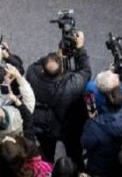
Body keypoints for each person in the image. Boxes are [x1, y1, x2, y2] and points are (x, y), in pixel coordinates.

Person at [26, 31, 90, 163]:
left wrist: (56, 55)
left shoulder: (32, 73)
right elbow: (85, 71)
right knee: (73, 150)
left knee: (46, 151)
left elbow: (37, 64)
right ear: (62, 70)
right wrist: (80, 49)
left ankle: (47, 168)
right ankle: (75, 167)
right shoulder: (69, 86)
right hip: (63, 126)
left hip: (41, 124)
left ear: (43, 70)